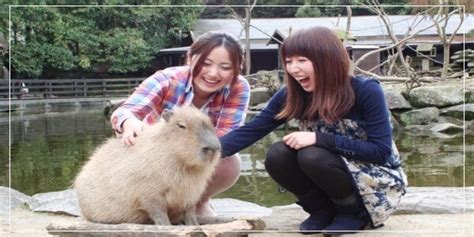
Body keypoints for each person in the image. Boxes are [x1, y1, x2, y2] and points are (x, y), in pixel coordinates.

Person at [219, 26, 407, 234]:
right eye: (289, 61)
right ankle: (321, 210)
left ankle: (352, 213)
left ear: (327, 59)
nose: (293, 68)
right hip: (329, 170)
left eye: (302, 60)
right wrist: (205, 153)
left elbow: (380, 152)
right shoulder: (292, 94)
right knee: (277, 154)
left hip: (374, 182)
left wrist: (318, 138)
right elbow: (253, 130)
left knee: (312, 155)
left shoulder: (366, 90)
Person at [110, 31, 250, 218]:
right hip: (153, 157)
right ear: (190, 59)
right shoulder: (167, 79)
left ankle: (197, 200)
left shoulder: (239, 87)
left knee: (229, 161)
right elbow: (125, 111)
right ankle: (149, 204)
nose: (213, 73)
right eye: (206, 63)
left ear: (237, 68)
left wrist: (191, 148)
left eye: (225, 67)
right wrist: (130, 122)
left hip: (198, 155)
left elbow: (227, 133)